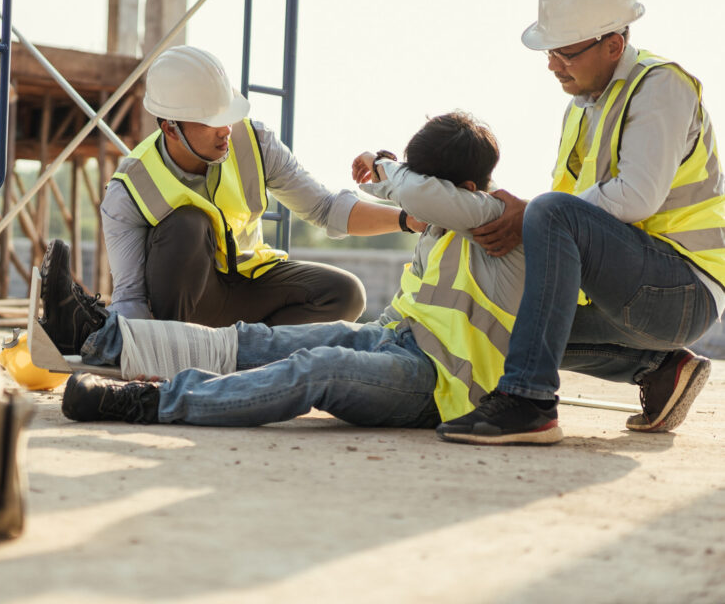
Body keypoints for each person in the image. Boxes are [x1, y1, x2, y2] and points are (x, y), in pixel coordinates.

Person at [40, 113, 547, 437]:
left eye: (421, 180)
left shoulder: (493, 219)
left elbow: (414, 195)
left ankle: (149, 402)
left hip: (442, 385)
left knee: (316, 368)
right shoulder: (447, 216)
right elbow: (402, 200)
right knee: (256, 342)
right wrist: (393, 167)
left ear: (459, 187)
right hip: (397, 338)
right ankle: (95, 336)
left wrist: (385, 166)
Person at [437, 0, 724, 445]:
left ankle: (530, 403)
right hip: (632, 294)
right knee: (506, 322)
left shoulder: (661, 87)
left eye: (565, 53)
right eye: (550, 52)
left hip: (682, 292)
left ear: (614, 44)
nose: (553, 64)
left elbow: (634, 196)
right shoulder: (584, 107)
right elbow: (572, 217)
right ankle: (658, 369)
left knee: (548, 209)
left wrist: (531, 212)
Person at [99, 45, 423, 329]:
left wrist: (406, 219)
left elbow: (325, 208)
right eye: (213, 120)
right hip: (188, 308)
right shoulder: (129, 190)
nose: (226, 129)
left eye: (227, 114)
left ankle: (247, 356)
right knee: (187, 225)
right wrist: (143, 354)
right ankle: (178, 356)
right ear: (171, 129)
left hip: (250, 287)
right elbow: (130, 298)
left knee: (345, 294)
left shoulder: (254, 142)